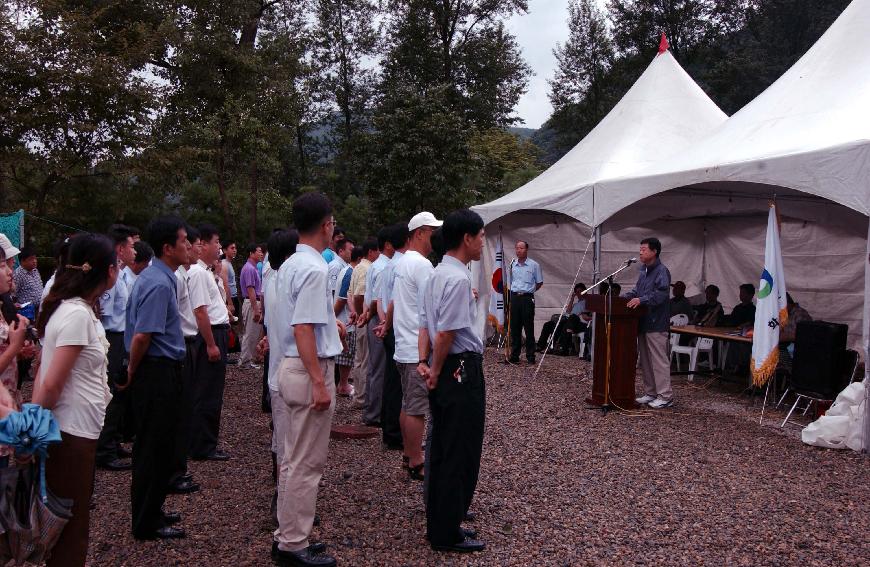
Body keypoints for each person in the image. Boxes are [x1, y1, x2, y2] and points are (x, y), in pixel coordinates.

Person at [33, 233, 116, 566]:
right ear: (107, 271)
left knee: (72, 520)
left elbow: (43, 371)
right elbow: (50, 383)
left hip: (77, 431)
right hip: (69, 434)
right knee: (71, 528)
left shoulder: (76, 309)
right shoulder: (76, 314)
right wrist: (32, 429)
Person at [272, 193, 342, 567]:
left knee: (291, 459)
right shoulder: (314, 269)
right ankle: (293, 545)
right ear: (327, 224)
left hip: (289, 364)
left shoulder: (289, 265)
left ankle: (287, 535)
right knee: (305, 463)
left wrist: (332, 326)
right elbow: (303, 328)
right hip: (305, 367)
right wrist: (319, 381)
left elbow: (302, 321)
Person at [418, 209, 486, 553]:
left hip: (444, 367)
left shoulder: (436, 273)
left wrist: (426, 364)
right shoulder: (457, 278)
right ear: (467, 238)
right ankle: (447, 531)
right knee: (460, 449)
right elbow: (445, 331)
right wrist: (435, 367)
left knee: (444, 447)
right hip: (459, 368)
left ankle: (442, 523)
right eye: (481, 236)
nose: (483, 243)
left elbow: (425, 324)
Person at [124, 216, 190, 540]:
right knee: (152, 446)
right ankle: (145, 521)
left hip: (162, 369)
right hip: (155, 371)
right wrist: (133, 369)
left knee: (162, 444)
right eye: (183, 241)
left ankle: (153, 509)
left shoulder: (161, 277)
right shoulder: (158, 282)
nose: (189, 245)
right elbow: (142, 336)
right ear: (167, 248)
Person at [392, 212, 440, 480]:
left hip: (404, 344)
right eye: (432, 231)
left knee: (408, 403)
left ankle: (409, 454)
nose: (435, 237)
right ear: (420, 232)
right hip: (415, 347)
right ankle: (416, 460)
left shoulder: (401, 263)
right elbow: (432, 304)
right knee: (417, 408)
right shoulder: (421, 265)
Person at [261, 229, 298, 522]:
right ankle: (284, 507)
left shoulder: (272, 278)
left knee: (282, 442)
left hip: (277, 372)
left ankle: (284, 499)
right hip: (288, 374)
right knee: (289, 449)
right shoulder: (286, 281)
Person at [187, 224, 231, 461]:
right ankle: (202, 445)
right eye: (216, 243)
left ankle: (206, 441)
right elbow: (200, 312)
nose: (219, 248)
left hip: (217, 331)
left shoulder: (206, 272)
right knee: (206, 392)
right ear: (202, 245)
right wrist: (211, 344)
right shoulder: (197, 273)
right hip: (210, 334)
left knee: (212, 391)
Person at [95, 224, 136, 471]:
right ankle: (104, 449)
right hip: (113, 336)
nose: (135, 250)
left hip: (122, 335)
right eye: (131, 246)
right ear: (120, 249)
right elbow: (106, 314)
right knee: (112, 389)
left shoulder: (122, 273)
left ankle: (113, 440)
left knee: (121, 392)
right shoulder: (111, 275)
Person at [169, 227, 202, 496]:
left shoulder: (181, 276)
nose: (191, 249)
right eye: (186, 243)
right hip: (181, 345)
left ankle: (177, 468)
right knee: (178, 412)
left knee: (185, 407)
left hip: (187, 343)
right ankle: (174, 472)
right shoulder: (175, 278)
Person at [625, 237, 674, 409]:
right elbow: (637, 291)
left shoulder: (662, 271)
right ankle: (651, 392)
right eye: (640, 249)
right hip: (643, 322)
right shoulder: (643, 270)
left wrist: (641, 299)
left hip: (656, 322)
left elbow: (661, 295)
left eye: (644, 249)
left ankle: (665, 396)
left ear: (654, 252)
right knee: (645, 360)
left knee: (659, 360)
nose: (640, 252)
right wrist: (624, 297)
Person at [375, 223, 408, 450]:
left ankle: (389, 428)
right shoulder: (401, 266)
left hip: (389, 326)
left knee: (390, 378)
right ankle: (395, 432)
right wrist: (388, 324)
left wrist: (384, 323)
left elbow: (379, 300)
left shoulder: (387, 266)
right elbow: (394, 301)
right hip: (397, 327)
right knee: (398, 381)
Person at [361, 227, 394, 427]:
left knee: (374, 367)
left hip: (372, 317)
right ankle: (375, 414)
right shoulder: (383, 267)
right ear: (388, 245)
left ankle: (371, 409)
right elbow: (377, 300)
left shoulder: (376, 265)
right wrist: (373, 316)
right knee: (379, 368)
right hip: (378, 319)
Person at [349, 239, 378, 409]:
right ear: (371, 252)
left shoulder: (357, 268)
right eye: (377, 251)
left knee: (359, 359)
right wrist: (362, 315)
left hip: (359, 319)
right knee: (365, 360)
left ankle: (358, 396)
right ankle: (361, 398)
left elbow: (351, 294)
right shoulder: (367, 269)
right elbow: (359, 295)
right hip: (364, 319)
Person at [508, 240, 542, 364]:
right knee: (515, 327)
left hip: (527, 298)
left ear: (526, 249)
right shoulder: (512, 264)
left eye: (521, 248)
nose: (519, 250)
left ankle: (530, 355)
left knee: (529, 327)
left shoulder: (534, 265)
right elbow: (510, 281)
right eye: (517, 248)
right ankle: (515, 355)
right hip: (515, 297)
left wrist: (529, 291)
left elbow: (539, 282)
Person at [333, 243, 360, 397]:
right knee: (346, 355)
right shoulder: (350, 272)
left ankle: (342, 383)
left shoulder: (346, 270)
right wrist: (333, 317)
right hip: (345, 320)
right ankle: (343, 384)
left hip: (343, 320)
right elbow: (343, 297)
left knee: (346, 356)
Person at [536, 283, 590, 355]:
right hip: (569, 321)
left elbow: (587, 314)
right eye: (577, 292)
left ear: (585, 291)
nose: (579, 293)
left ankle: (562, 348)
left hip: (579, 322)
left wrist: (582, 314)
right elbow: (568, 311)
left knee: (570, 318)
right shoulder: (576, 304)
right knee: (548, 324)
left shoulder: (589, 301)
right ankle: (541, 346)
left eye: (580, 291)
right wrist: (572, 298)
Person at [239, 243, 264, 368]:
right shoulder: (249, 268)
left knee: (254, 333)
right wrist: (256, 309)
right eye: (259, 251)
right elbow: (250, 290)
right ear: (251, 253)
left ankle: (249, 359)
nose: (261, 254)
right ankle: (244, 361)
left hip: (253, 301)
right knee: (250, 332)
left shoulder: (253, 268)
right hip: (251, 302)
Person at [12, 246, 43, 315]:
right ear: (22, 261)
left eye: (35, 258)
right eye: (31, 259)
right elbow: (13, 294)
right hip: (26, 312)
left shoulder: (35, 271)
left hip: (38, 310)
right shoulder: (18, 274)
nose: (35, 261)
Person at [222, 240, 240, 316]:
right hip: (229, 298)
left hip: (234, 296)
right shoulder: (224, 264)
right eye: (232, 248)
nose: (234, 250)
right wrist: (230, 303)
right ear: (225, 250)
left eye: (235, 248)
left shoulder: (229, 263)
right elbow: (225, 284)